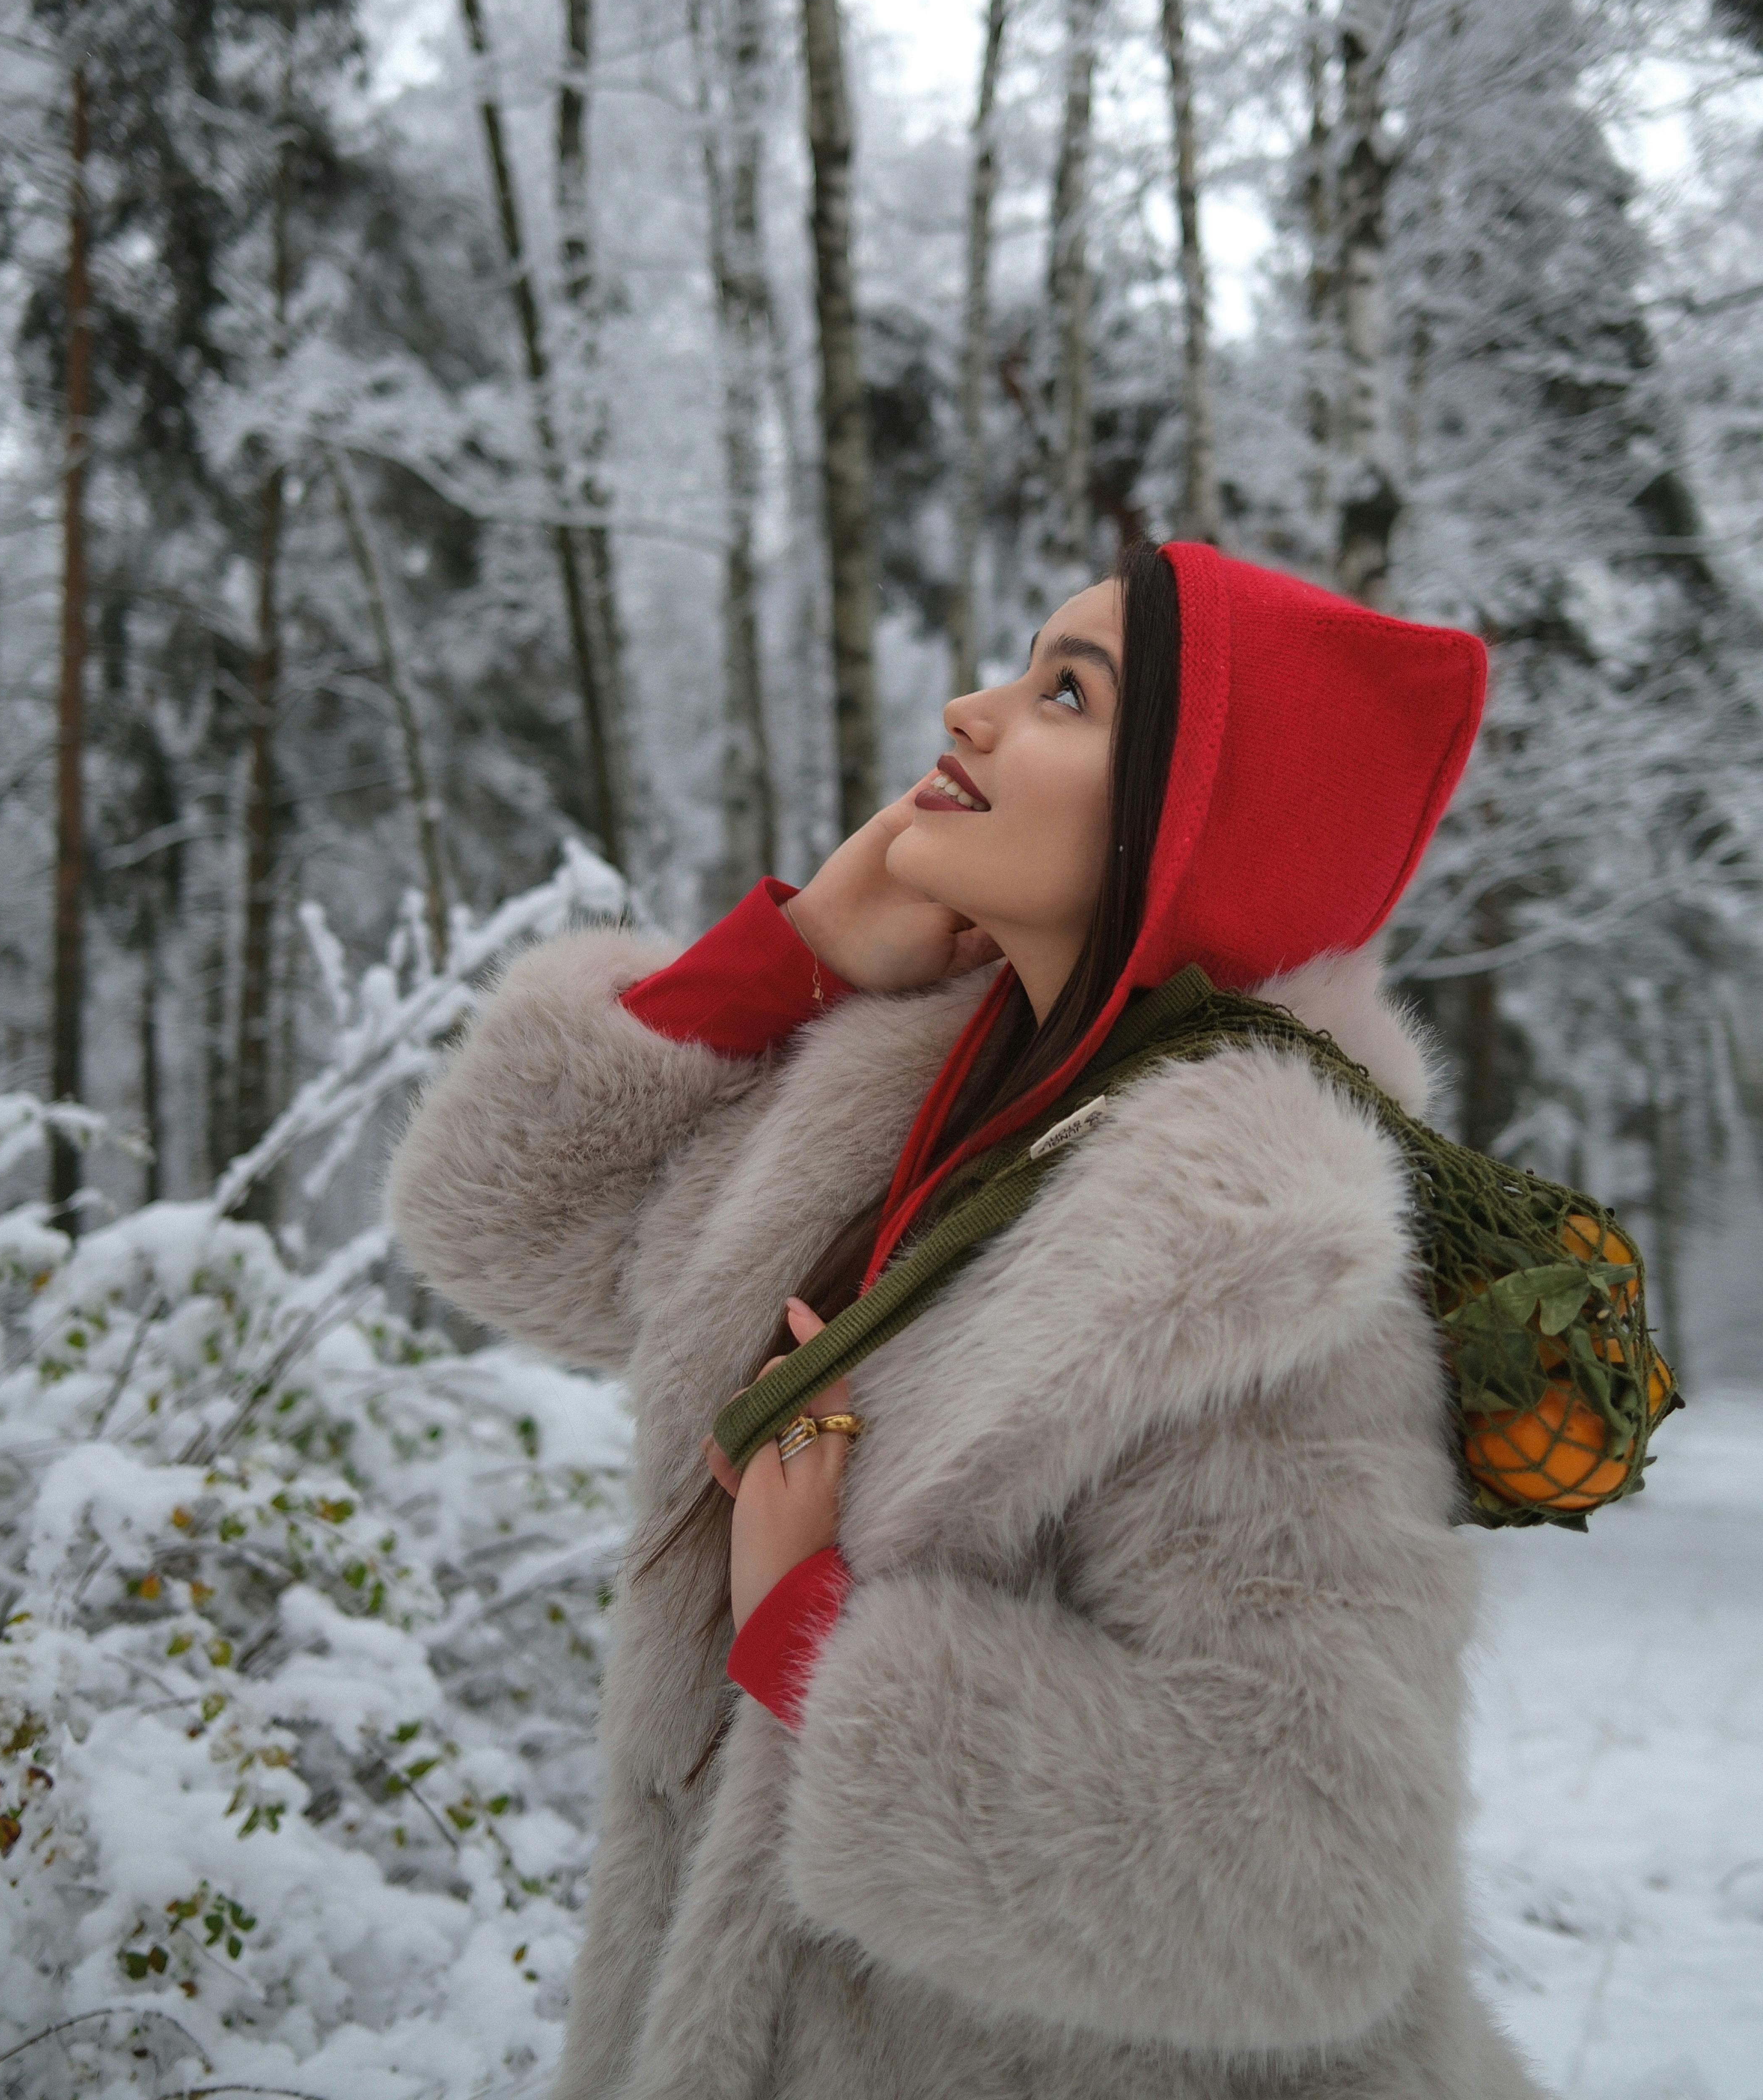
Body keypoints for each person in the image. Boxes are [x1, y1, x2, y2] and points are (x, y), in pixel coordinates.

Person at [386, 538, 1548, 2100]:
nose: (969, 711)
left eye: (1068, 694)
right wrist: (795, 955)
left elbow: (1319, 1882)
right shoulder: (935, 1102)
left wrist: (812, 1637)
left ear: (1196, 822)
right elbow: (501, 1224)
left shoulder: (1249, 1264)